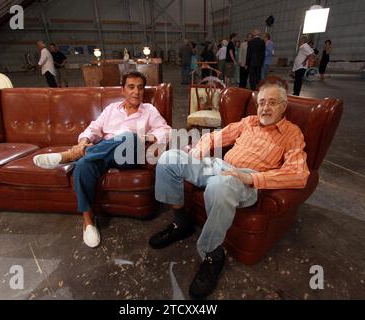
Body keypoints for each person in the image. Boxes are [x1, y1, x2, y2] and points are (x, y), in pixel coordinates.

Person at [148, 83, 310, 299]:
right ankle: (181, 223)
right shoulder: (249, 122)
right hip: (218, 165)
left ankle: (212, 254)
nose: (265, 108)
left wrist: (252, 178)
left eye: (272, 103)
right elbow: (214, 137)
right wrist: (199, 151)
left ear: (284, 106)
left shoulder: (292, 133)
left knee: (219, 186)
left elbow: (299, 174)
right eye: (261, 102)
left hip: (245, 179)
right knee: (169, 159)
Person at [33, 71, 172, 248]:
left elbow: (166, 131)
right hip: (104, 154)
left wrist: (143, 137)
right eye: (131, 87)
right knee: (84, 165)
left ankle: (69, 156)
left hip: (129, 155)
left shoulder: (149, 110)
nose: (136, 92)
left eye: (140, 87)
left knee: (128, 136)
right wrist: (84, 142)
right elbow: (93, 129)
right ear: (123, 90)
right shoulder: (111, 109)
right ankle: (88, 221)